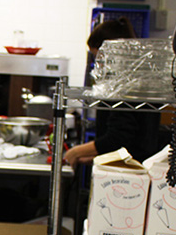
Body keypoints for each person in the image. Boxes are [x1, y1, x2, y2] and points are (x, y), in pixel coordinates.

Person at [64, 17, 166, 166]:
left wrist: (75, 152)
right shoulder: (137, 77)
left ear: (112, 52)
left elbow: (118, 137)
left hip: (130, 170)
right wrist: (92, 158)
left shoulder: (125, 84)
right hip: (135, 163)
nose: (98, 65)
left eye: (98, 58)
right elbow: (129, 141)